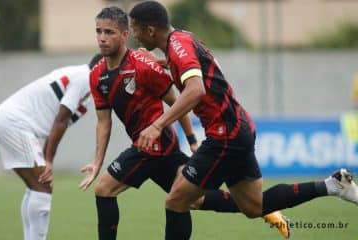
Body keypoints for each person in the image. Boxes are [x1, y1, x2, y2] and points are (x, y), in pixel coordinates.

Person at [129, 1, 358, 239]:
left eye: (134, 29)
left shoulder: (178, 48)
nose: (134, 35)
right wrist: (161, 63)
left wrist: (157, 125)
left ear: (150, 30)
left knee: (177, 200)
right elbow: (199, 67)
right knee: (253, 206)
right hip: (236, 129)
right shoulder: (182, 39)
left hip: (225, 135)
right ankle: (332, 185)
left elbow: (196, 89)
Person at [79, 6, 289, 240]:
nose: (102, 38)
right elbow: (103, 122)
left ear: (125, 34)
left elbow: (178, 101)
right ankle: (265, 210)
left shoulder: (142, 63)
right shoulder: (96, 74)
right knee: (193, 200)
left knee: (104, 189)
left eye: (109, 32)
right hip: (153, 143)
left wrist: (189, 138)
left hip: (154, 144)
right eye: (98, 32)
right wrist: (97, 162)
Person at [0, 53, 102, 240]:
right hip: (14, 123)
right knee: (43, 186)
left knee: (37, 186)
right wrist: (48, 160)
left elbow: (57, 125)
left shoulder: (86, 89)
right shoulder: (85, 77)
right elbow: (61, 119)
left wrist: (48, 159)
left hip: (11, 122)